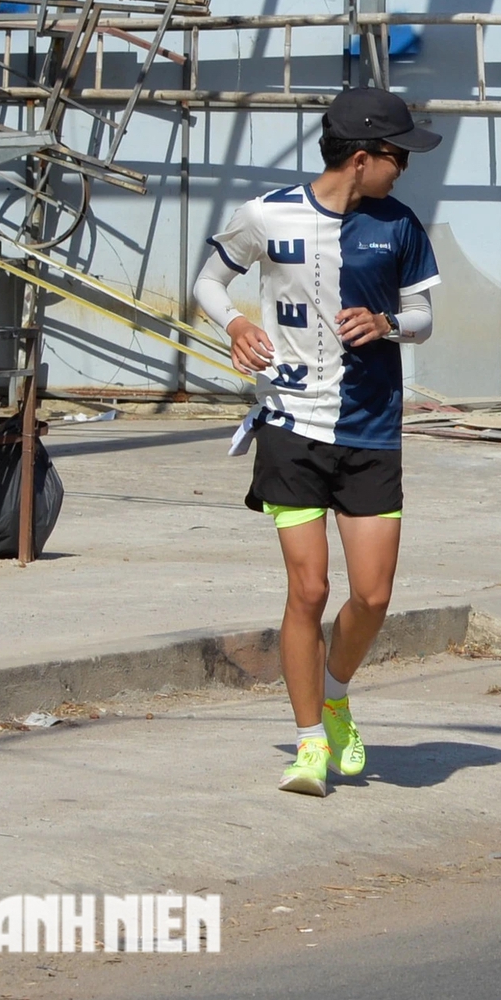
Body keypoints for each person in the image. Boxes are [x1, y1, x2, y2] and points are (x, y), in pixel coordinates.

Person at [191, 87, 442, 797]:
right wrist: (236, 326)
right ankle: (307, 744)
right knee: (309, 586)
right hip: (290, 427)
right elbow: (209, 281)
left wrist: (388, 323)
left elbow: (423, 314)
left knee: (372, 594)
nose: (403, 170)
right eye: (397, 156)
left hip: (370, 431)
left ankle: (335, 694)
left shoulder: (399, 224)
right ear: (362, 158)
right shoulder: (267, 214)